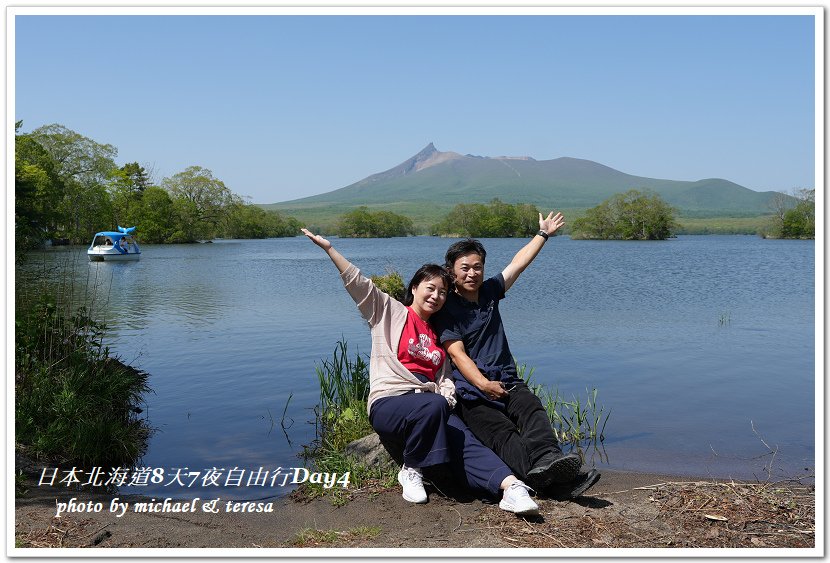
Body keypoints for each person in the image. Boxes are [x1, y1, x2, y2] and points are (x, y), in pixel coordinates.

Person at [301, 228, 541, 515]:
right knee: (435, 404)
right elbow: (358, 283)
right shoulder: (388, 312)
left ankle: (510, 488)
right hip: (390, 403)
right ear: (414, 288)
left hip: (430, 408)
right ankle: (412, 468)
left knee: (465, 439)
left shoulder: (438, 335)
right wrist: (330, 249)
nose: (436, 295)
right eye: (430, 288)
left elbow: (445, 380)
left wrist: (449, 400)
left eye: (442, 291)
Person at [432, 212, 601, 499]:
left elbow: (518, 264)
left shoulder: (489, 292)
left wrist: (543, 234)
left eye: (477, 267)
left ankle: (550, 460)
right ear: (451, 271)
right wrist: (484, 385)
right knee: (502, 434)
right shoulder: (447, 310)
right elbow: (458, 355)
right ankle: (554, 483)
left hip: (507, 379)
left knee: (531, 409)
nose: (472, 273)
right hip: (472, 390)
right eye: (464, 268)